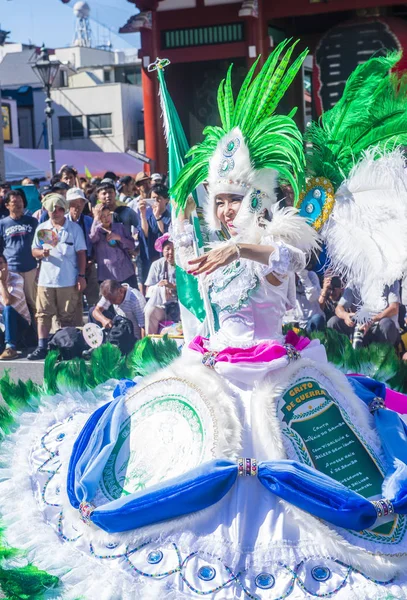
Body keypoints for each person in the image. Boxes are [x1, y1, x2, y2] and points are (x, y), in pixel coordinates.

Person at [3, 44, 407, 600]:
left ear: (253, 199)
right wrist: (188, 300)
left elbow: (286, 264)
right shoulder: (209, 243)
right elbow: (205, 317)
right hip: (211, 372)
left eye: (234, 199)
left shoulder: (277, 239)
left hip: (275, 380)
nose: (224, 210)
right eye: (218, 200)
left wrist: (240, 250)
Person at [28, 193, 87, 360]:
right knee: (43, 314)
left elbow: (82, 254)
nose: (57, 212)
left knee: (67, 316)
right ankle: (42, 347)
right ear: (47, 210)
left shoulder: (74, 229)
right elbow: (34, 251)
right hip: (46, 280)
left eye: (60, 209)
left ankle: (65, 346)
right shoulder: (42, 228)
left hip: (68, 280)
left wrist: (81, 276)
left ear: (64, 209)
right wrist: (41, 252)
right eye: (53, 209)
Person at [0, 189, 38, 316]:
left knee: (31, 303)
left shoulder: (32, 221)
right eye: (14, 202)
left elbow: (41, 243)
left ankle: (34, 333)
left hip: (30, 268)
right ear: (7, 205)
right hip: (11, 270)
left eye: (20, 201)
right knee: (14, 303)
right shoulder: (2, 224)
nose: (19, 204)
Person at [328, 281, 401, 346]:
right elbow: (339, 308)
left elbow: (394, 308)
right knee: (333, 322)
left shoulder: (391, 280)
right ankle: (340, 357)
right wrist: (345, 315)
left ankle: (382, 358)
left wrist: (371, 320)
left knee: (387, 324)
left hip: (379, 325)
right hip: (359, 325)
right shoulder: (355, 281)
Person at [66, 187, 99, 321]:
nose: (77, 206)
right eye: (73, 203)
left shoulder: (88, 221)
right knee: (73, 301)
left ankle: (95, 328)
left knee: (94, 300)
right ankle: (76, 331)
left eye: (80, 202)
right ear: (68, 204)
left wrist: (93, 259)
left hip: (89, 265)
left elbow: (96, 242)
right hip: (70, 267)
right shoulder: (63, 222)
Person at [89, 204, 138, 287]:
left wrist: (119, 237)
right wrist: (96, 219)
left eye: (108, 215)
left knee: (132, 297)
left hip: (126, 271)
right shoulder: (97, 230)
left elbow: (131, 245)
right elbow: (93, 238)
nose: (106, 218)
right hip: (108, 274)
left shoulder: (120, 227)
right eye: (102, 216)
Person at [144, 234, 177, 334]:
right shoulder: (156, 265)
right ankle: (151, 344)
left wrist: (172, 287)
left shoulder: (184, 264)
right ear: (162, 250)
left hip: (181, 305)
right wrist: (159, 288)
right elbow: (148, 289)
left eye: (174, 249)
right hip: (162, 306)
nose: (171, 252)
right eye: (167, 249)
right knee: (149, 312)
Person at [0, 254, 31, 360]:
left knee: (8, 309)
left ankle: (10, 348)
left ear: (6, 265)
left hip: (20, 323)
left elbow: (8, 302)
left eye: (0, 263)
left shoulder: (16, 278)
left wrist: (2, 281)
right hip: (2, 324)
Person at [289, 268, 326, 334]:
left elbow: (312, 297)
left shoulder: (310, 275)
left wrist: (304, 278)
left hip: (311, 322)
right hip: (295, 324)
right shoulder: (285, 279)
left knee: (317, 318)